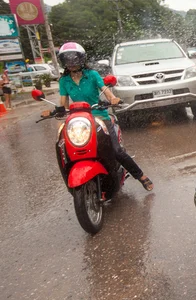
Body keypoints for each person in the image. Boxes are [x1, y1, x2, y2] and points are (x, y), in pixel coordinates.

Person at [44, 42, 153, 191]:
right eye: (67, 59)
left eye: (74, 59)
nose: (71, 63)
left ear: (81, 59)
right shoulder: (64, 81)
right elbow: (63, 103)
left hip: (99, 117)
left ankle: (140, 175)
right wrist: (55, 110)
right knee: (63, 148)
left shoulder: (92, 75)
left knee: (116, 151)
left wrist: (113, 99)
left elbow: (106, 91)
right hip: (79, 120)